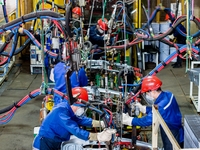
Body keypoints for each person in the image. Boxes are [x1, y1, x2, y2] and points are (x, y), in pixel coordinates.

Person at [32, 87, 116, 150]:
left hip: (53, 143)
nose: (82, 109)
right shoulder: (61, 112)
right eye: (81, 107)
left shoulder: (67, 108)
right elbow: (75, 130)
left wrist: (100, 123)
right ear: (75, 103)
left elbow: (79, 119)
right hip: (44, 145)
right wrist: (97, 136)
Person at [122, 76, 183, 150]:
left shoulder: (162, 106)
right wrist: (144, 108)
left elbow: (147, 121)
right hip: (172, 126)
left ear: (153, 90)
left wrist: (130, 120)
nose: (147, 95)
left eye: (147, 93)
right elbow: (158, 110)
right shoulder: (168, 94)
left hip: (172, 132)